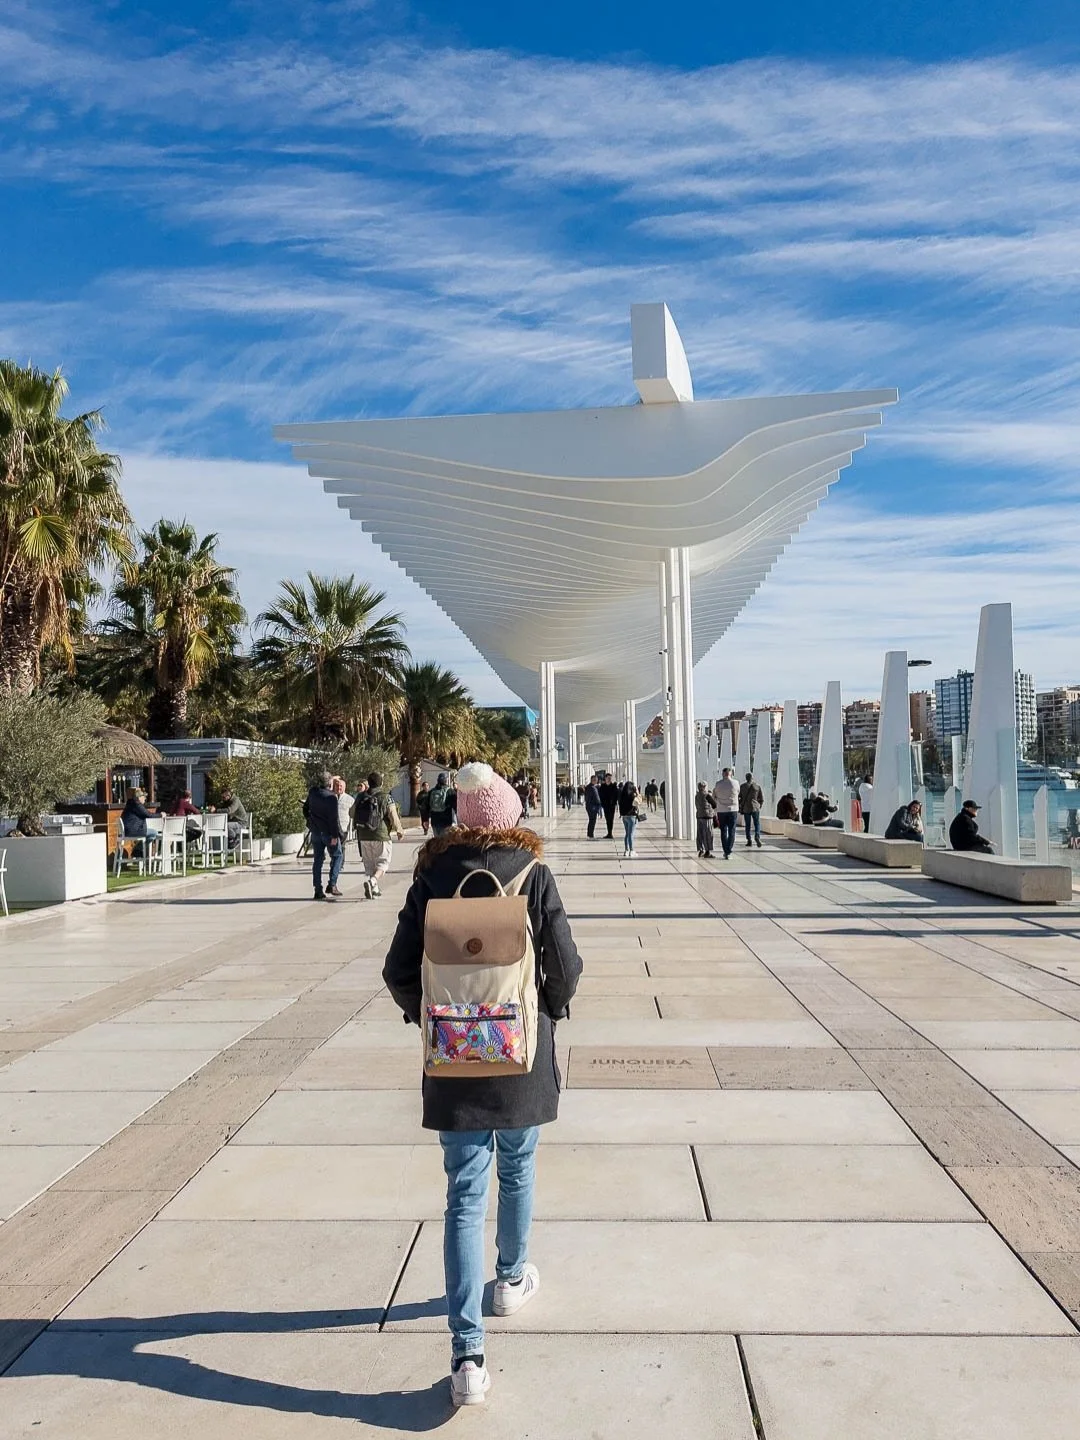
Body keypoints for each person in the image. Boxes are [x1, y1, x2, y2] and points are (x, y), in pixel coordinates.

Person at [382, 761, 582, 1408]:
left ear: (463, 819)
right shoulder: (533, 874)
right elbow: (566, 965)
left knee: (464, 1195)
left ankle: (467, 1356)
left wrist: (433, 1017)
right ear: (510, 814)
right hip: (519, 1051)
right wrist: (549, 1011)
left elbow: (397, 969)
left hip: (454, 1055)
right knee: (518, 1166)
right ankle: (511, 1278)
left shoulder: (430, 877)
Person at [354, 771, 406, 898]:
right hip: (380, 835)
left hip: (363, 835)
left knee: (371, 864)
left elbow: (351, 813)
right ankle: (372, 881)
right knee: (383, 864)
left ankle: (375, 889)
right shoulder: (386, 797)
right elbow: (393, 815)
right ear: (381, 783)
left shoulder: (360, 797)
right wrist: (399, 830)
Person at [303, 772, 345, 900]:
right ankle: (332, 884)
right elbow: (333, 819)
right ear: (330, 783)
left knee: (318, 860)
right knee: (337, 856)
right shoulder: (331, 798)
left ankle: (318, 889)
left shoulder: (313, 793)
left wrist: (311, 821)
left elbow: (305, 809)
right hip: (328, 833)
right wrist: (335, 835)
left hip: (316, 831)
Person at [120, 786, 158, 859]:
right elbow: (148, 814)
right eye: (144, 797)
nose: (145, 799)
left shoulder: (130, 803)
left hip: (127, 831)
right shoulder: (137, 805)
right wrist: (161, 815)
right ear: (139, 797)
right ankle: (137, 850)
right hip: (134, 831)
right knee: (154, 832)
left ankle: (138, 850)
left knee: (151, 833)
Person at [713, 767, 739, 860]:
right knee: (732, 831)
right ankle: (729, 850)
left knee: (723, 831)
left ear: (723, 774)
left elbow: (714, 795)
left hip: (721, 810)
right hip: (733, 810)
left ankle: (725, 851)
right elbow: (738, 792)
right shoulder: (735, 783)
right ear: (731, 774)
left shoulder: (718, 784)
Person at [618, 780, 643, 857]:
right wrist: (638, 793)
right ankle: (632, 850)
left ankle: (626, 850)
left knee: (627, 834)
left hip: (624, 817)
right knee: (631, 834)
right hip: (632, 817)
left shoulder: (622, 795)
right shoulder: (632, 795)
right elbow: (639, 802)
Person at [738, 772, 763, 848]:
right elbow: (761, 798)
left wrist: (740, 804)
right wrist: (759, 806)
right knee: (757, 823)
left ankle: (749, 840)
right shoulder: (757, 787)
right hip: (755, 808)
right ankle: (757, 836)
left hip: (746, 808)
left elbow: (739, 797)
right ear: (752, 778)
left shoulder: (742, 787)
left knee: (748, 825)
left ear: (746, 778)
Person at [695, 781, 716, 856]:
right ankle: (708, 851)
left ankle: (701, 850)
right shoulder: (707, 795)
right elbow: (714, 805)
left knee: (700, 834)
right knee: (708, 834)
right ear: (705, 787)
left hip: (699, 816)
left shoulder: (697, 795)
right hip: (707, 817)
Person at [598, 773, 620, 839]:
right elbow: (600, 795)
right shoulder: (602, 786)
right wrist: (602, 803)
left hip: (612, 806)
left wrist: (615, 803)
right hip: (605, 805)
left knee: (611, 819)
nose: (609, 779)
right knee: (607, 819)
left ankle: (610, 833)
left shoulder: (614, 786)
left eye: (610, 778)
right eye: (608, 778)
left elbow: (616, 795)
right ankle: (609, 833)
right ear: (605, 778)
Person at [584, 774, 602, 839]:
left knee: (592, 821)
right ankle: (590, 835)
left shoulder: (592, 787)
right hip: (592, 807)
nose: (597, 781)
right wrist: (598, 803)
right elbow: (591, 798)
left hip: (592, 806)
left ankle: (590, 834)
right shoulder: (591, 787)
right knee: (592, 821)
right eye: (596, 780)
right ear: (593, 780)